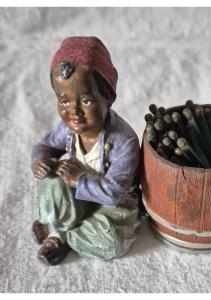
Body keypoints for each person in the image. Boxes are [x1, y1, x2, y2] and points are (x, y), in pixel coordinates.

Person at [31, 36, 141, 265]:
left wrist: (78, 180)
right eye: (64, 101)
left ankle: (59, 234)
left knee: (114, 241)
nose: (74, 112)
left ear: (107, 97)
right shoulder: (68, 130)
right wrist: (41, 161)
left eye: (87, 101)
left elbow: (114, 192)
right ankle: (59, 229)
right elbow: (45, 146)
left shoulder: (124, 141)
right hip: (77, 199)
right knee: (50, 182)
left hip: (112, 207)